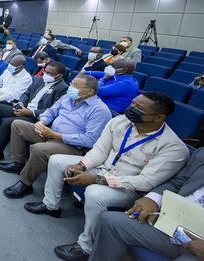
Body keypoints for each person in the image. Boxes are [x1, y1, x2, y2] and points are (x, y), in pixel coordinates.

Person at [27, 92, 189, 260]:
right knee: (57, 161)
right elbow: (100, 150)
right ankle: (50, 205)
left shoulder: (173, 147)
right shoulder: (120, 122)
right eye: (132, 103)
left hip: (128, 186)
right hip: (103, 167)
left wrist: (98, 180)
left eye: (138, 108)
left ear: (158, 117)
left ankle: (85, 246)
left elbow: (146, 181)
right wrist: (82, 165)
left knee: (95, 194)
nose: (131, 108)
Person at [0, 75, 112, 198]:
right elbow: (51, 112)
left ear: (90, 91)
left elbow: (89, 140)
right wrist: (43, 122)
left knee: (38, 149)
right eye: (72, 83)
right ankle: (17, 163)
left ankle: (25, 183)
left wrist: (56, 135)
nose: (71, 88)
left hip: (72, 146)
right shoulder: (67, 97)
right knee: (17, 124)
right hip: (50, 133)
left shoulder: (100, 110)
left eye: (76, 86)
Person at [90, 148, 204, 261]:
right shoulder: (201, 154)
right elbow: (177, 182)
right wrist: (153, 199)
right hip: (173, 223)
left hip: (199, 246)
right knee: (110, 221)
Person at [0, 61, 68, 155]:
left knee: (8, 122)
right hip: (23, 108)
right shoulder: (40, 80)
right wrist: (21, 103)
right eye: (45, 71)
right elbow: (26, 94)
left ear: (59, 76)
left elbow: (53, 110)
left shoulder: (62, 88)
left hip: (37, 117)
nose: (45, 74)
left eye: (49, 73)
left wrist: (31, 112)